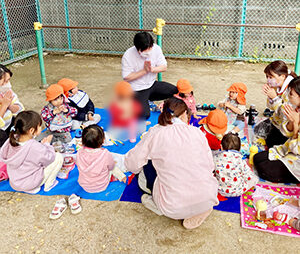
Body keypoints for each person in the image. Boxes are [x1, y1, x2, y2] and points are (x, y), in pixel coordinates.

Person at [125, 97, 218, 230]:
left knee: (145, 169)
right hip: (209, 197)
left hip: (172, 207)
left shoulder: (156, 132)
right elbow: (210, 166)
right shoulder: (197, 132)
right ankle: (200, 207)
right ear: (185, 113)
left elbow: (133, 165)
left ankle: (159, 206)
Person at [0, 111, 63, 193]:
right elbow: (49, 158)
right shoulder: (33, 146)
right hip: (30, 183)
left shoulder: (11, 140)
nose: (41, 128)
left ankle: (30, 187)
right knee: (58, 157)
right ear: (31, 130)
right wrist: (47, 145)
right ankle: (49, 184)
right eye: (40, 126)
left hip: (15, 183)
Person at [254, 77, 300, 184]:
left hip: (296, 155)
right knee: (258, 157)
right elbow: (284, 130)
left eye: (291, 94)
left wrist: (295, 124)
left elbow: (297, 148)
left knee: (265, 168)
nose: (288, 95)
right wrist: (291, 122)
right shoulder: (296, 107)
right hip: (289, 147)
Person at [122, 32, 178, 119]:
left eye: (150, 48)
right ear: (137, 49)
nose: (148, 51)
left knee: (176, 92)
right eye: (145, 50)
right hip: (137, 89)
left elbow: (164, 67)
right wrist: (144, 71)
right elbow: (126, 77)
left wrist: (152, 69)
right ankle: (134, 101)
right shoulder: (128, 55)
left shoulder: (156, 49)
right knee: (144, 115)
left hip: (152, 84)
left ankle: (153, 103)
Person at [76, 125, 126, 193]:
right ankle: (122, 177)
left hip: (85, 185)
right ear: (103, 141)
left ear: (82, 141)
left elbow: (78, 164)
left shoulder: (79, 152)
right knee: (113, 167)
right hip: (101, 185)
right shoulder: (105, 154)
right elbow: (111, 167)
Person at [261, 60, 297, 148]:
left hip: (287, 127)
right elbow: (271, 108)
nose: (268, 80)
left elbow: (285, 115)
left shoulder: (291, 91)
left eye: (271, 77)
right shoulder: (278, 86)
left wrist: (275, 98)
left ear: (283, 76)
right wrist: (270, 97)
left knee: (270, 143)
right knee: (258, 131)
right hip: (277, 121)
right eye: (267, 77)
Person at [213, 132, 258, 197]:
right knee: (254, 178)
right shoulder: (241, 161)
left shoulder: (215, 158)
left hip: (220, 190)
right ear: (239, 149)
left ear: (221, 147)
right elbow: (248, 176)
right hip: (238, 191)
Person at [0, 65, 24, 147]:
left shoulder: (6, 91)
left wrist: (9, 104)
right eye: (4, 82)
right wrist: (4, 105)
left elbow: (19, 109)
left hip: (8, 125)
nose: (8, 85)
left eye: (8, 80)